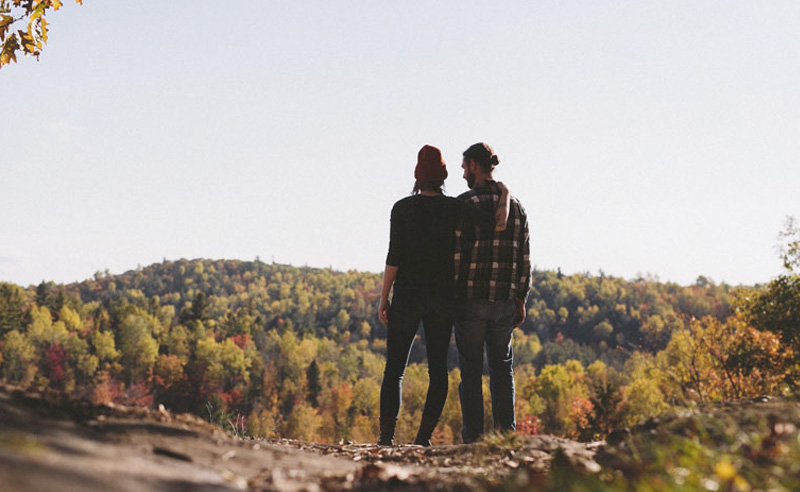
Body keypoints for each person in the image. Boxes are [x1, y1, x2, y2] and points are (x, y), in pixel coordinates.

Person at [377, 144, 509, 447]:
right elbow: (496, 223)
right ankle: (422, 439)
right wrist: (505, 192)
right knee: (438, 370)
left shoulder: (401, 209)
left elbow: (393, 256)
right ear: (443, 176)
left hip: (407, 296)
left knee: (394, 368)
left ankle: (386, 439)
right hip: (442, 299)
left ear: (417, 177)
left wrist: (384, 297)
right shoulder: (455, 208)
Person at [453, 142, 530, 444]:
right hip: (504, 302)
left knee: (470, 371)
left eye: (464, 167)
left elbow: (457, 254)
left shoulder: (465, 204)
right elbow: (525, 257)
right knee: (502, 369)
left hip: (471, 300)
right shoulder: (518, 208)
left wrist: (454, 294)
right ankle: (505, 436)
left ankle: (473, 438)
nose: (462, 173)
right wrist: (521, 298)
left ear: (474, 165)